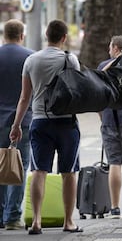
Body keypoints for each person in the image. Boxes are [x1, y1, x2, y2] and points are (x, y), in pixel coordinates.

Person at [9, 20, 83, 235]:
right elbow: (77, 91)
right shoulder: (71, 60)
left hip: (40, 120)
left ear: (46, 36)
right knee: (69, 172)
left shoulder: (31, 60)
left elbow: (24, 98)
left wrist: (16, 125)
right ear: (63, 38)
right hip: (67, 121)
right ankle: (69, 221)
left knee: (38, 171)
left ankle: (37, 221)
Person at [97, 35, 122, 220]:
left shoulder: (103, 66)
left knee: (115, 163)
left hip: (109, 120)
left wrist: (102, 117)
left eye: (110, 46)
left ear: (115, 48)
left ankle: (114, 207)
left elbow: (97, 96)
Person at [0, 19, 33, 230]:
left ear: (4, 35)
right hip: (22, 121)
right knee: (18, 167)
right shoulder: (30, 57)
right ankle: (12, 216)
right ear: (22, 35)